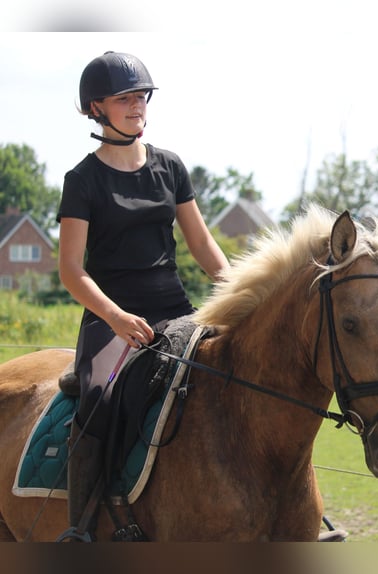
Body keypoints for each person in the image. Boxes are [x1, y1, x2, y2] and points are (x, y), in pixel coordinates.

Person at [56, 51, 230, 541]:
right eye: (124, 98)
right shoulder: (82, 180)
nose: (136, 106)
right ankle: (83, 524)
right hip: (110, 318)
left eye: (141, 97)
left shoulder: (170, 167)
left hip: (175, 310)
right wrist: (115, 317)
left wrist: (241, 291)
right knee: (99, 398)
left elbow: (201, 244)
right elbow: (71, 270)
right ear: (97, 107)